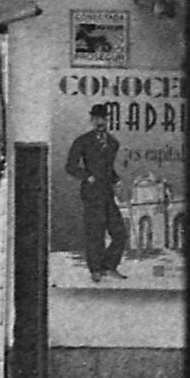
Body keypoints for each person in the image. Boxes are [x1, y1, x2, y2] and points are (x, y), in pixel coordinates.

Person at [65, 102, 127, 282]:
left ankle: (109, 266)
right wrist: (87, 176)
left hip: (108, 193)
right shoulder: (82, 141)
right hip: (92, 193)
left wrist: (117, 180)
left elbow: (108, 168)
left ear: (108, 120)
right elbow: (70, 166)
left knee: (119, 232)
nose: (100, 122)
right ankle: (96, 269)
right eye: (97, 118)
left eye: (104, 118)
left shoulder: (113, 143)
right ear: (92, 120)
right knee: (96, 232)